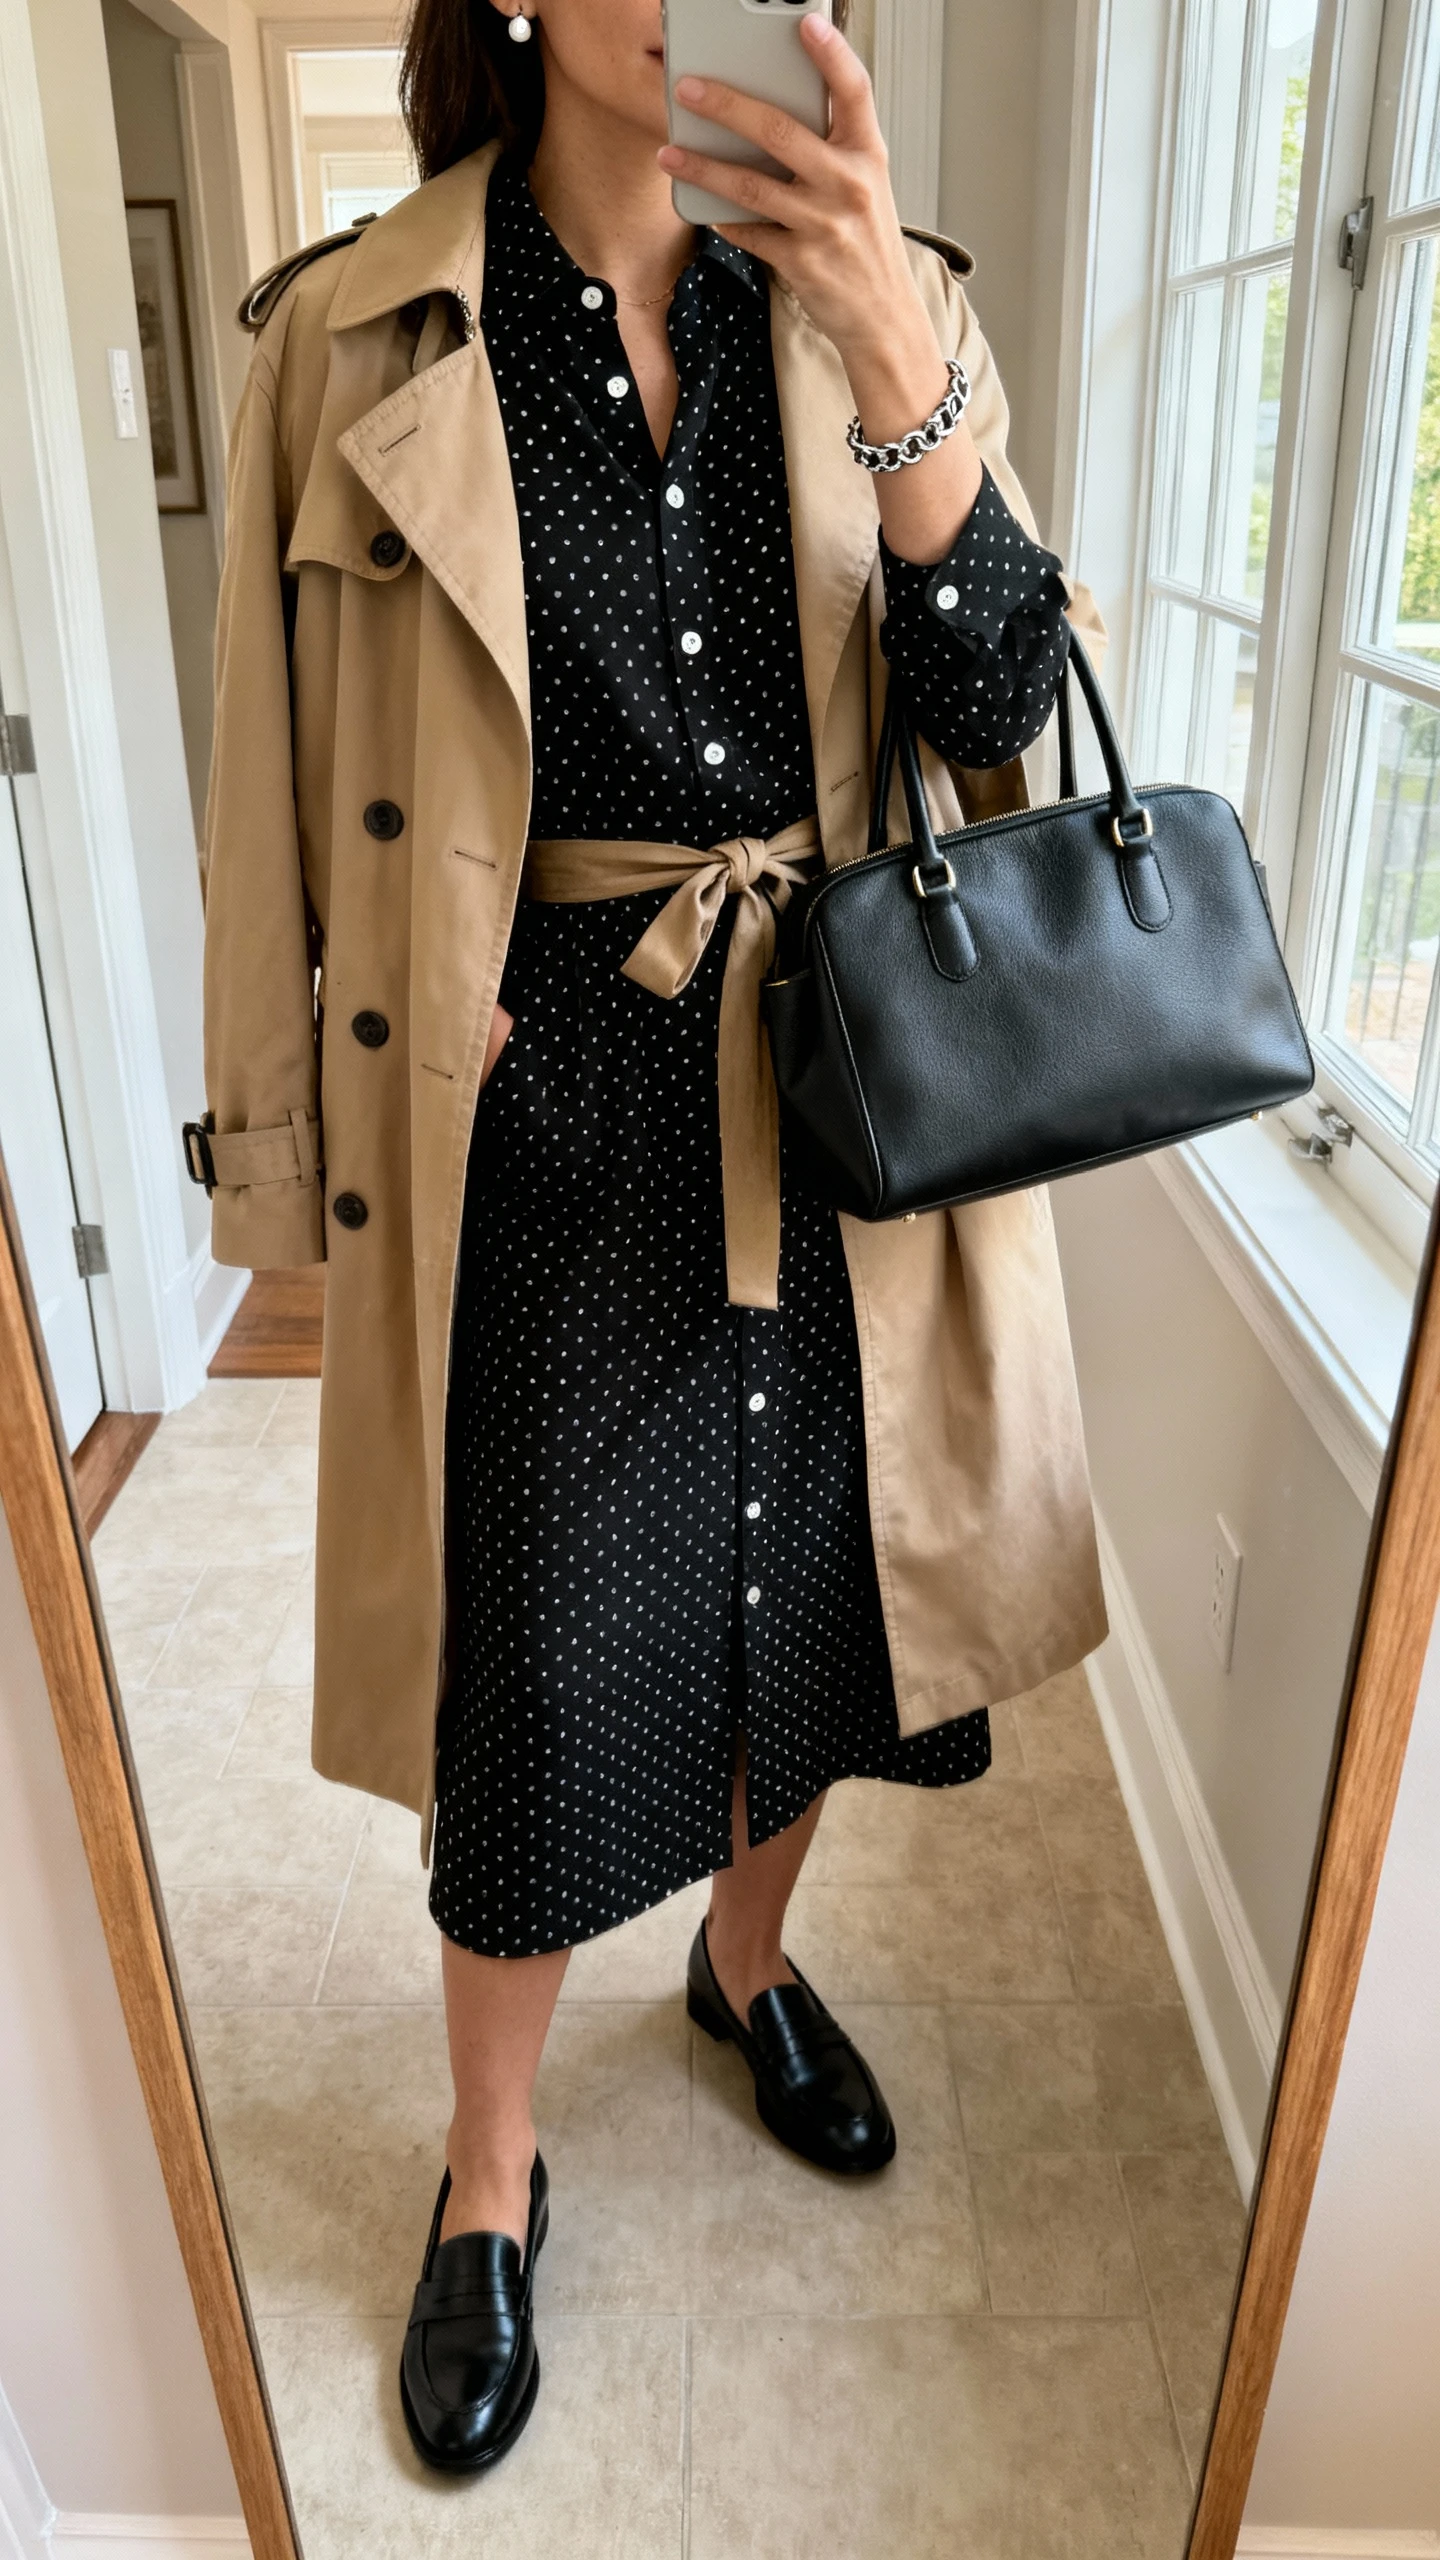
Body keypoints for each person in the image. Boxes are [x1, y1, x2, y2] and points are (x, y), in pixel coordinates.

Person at [199, 0, 1107, 2478]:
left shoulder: (886, 296)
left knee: (811, 1599)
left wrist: (902, 361)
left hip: (840, 1089)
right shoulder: (349, 329)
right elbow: (276, 787)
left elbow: (1009, 707)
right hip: (533, 1125)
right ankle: (492, 2172)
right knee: (531, 1670)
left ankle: (742, 1963)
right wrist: (318, 1116)